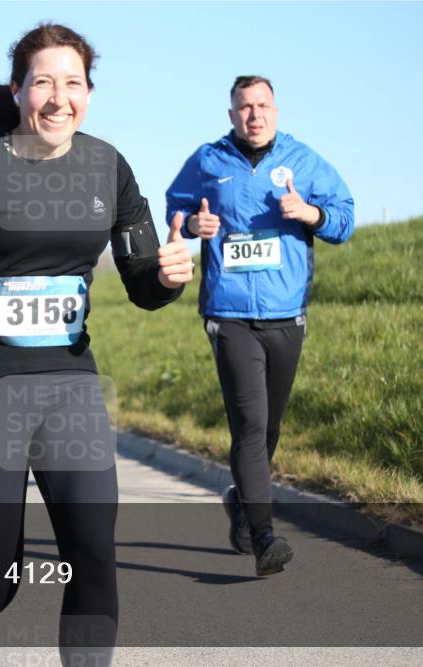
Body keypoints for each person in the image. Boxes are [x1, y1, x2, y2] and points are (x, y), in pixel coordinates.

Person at [0, 23, 194, 666]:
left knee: (93, 552)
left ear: (90, 93)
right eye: (43, 81)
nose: (58, 97)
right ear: (18, 89)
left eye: (72, 83)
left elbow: (141, 284)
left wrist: (165, 275)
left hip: (69, 380)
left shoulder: (109, 167)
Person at [166, 75, 354, 576]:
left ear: (276, 110)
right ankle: (265, 537)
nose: (254, 114)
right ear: (232, 115)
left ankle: (240, 500)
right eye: (244, 107)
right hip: (228, 314)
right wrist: (192, 226)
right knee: (249, 425)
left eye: (262, 105)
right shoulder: (208, 160)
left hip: (286, 313)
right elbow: (175, 206)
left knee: (268, 429)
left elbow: (345, 218)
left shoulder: (305, 160)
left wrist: (309, 212)